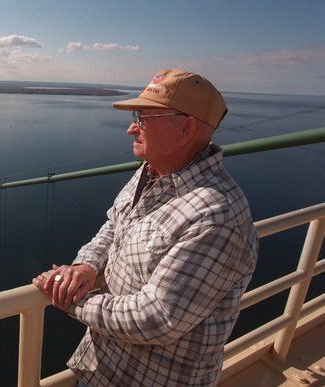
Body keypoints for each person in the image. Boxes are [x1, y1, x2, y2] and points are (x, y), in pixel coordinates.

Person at [33, 69, 258, 386]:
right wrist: (87, 266)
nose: (130, 128)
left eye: (143, 118)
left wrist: (66, 296)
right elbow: (115, 224)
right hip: (102, 367)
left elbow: (157, 318)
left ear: (185, 129)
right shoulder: (153, 170)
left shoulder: (217, 216)